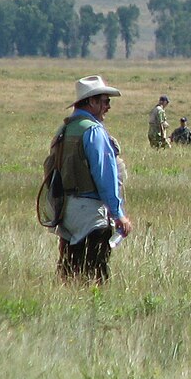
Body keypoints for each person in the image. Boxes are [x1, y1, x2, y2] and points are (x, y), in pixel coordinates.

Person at [51, 75, 133, 283]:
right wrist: (118, 214)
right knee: (96, 273)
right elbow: (105, 176)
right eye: (105, 101)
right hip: (90, 213)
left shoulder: (65, 129)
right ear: (92, 102)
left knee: (69, 271)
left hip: (66, 211)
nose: (108, 107)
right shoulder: (94, 131)